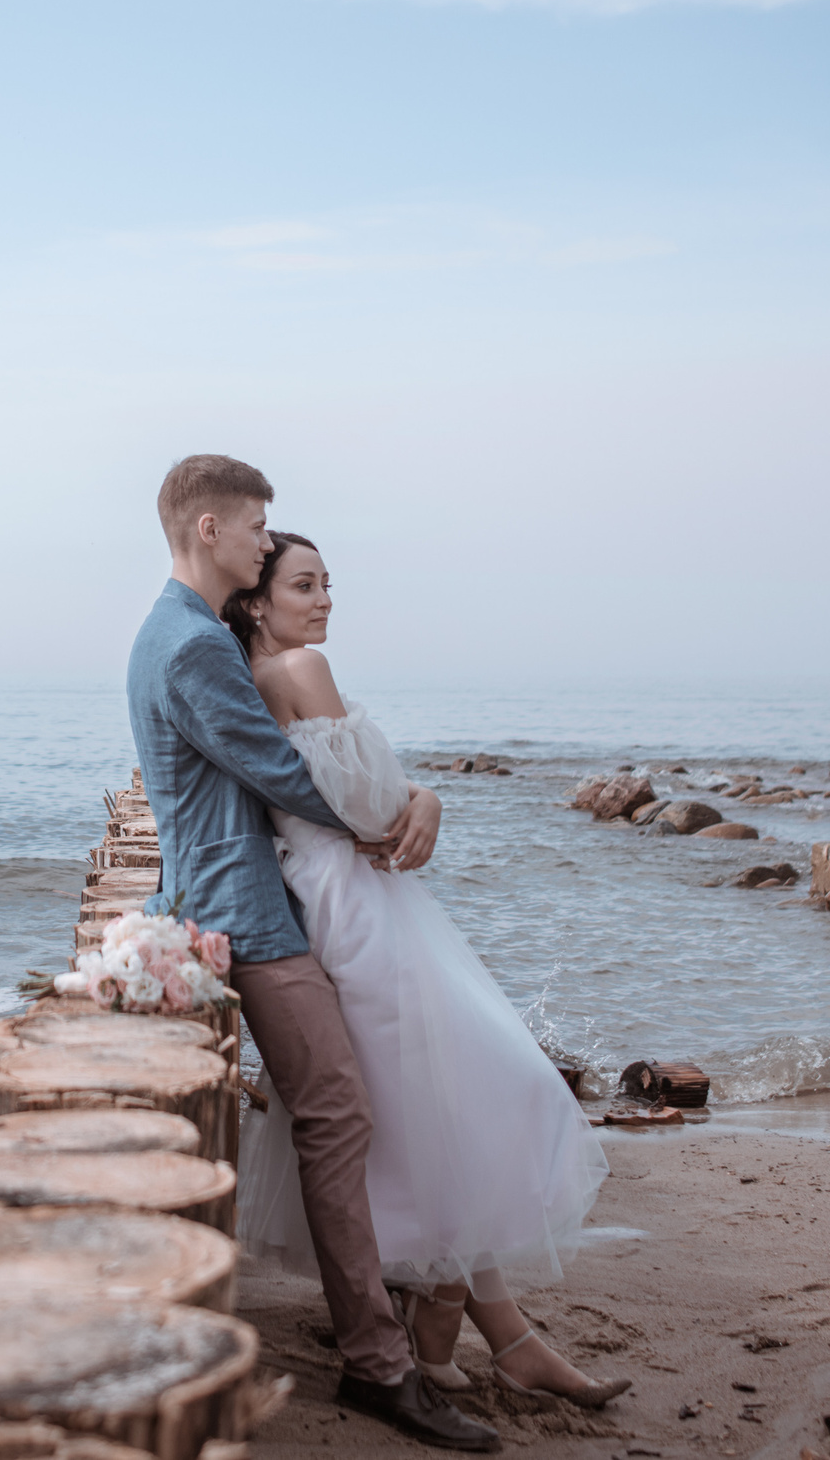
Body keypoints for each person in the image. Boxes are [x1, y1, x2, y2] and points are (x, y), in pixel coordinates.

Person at [129, 454, 502, 1452]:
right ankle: (379, 1366)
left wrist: (414, 796)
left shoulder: (186, 634)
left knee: (337, 1113)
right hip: (241, 911)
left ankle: (398, 1327)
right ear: (209, 530)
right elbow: (286, 777)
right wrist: (414, 803)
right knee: (338, 1115)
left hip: (235, 895)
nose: (264, 540)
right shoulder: (192, 649)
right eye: (256, 526)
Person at [226, 531, 630, 1409]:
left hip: (326, 896)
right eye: (304, 584)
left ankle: (480, 1333)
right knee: (481, 1093)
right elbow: (372, 805)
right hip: (360, 907)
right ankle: (463, 1328)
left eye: (330, 583)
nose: (325, 599)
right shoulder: (300, 671)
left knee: (429, 1114)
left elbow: (355, 800)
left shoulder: (254, 681)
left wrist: (416, 798)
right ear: (257, 601)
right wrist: (424, 797)